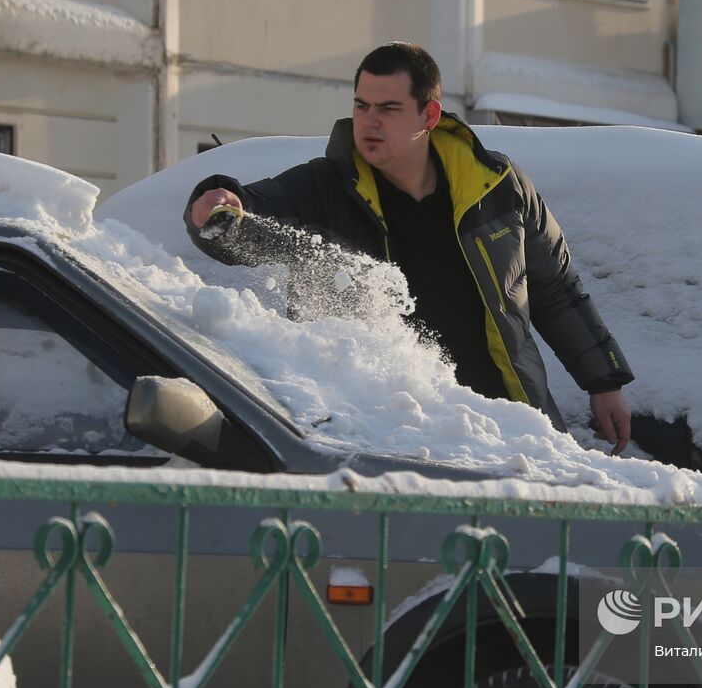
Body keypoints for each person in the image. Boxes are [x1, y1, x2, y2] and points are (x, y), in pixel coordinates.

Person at [184, 42, 634, 453]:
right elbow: (248, 214)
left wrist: (602, 381)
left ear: (429, 116)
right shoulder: (323, 187)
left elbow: (554, 288)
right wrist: (218, 199)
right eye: (361, 105)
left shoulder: (496, 186)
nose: (369, 121)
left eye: (388, 108)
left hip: (509, 426)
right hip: (392, 434)